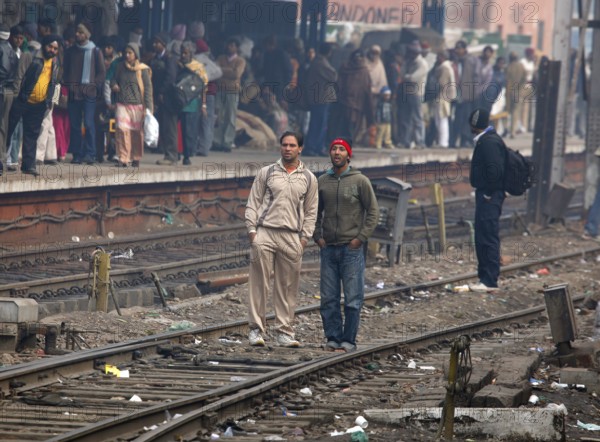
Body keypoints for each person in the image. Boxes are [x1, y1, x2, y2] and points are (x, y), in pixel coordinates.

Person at [245, 131, 318, 347]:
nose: (287, 148)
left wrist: (304, 238)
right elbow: (253, 202)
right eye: (284, 145)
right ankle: (256, 330)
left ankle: (284, 332)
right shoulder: (266, 173)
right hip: (265, 232)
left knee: (287, 286)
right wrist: (252, 232)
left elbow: (312, 211)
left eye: (292, 145)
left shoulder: (309, 178)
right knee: (259, 284)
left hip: (292, 237)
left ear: (300, 149)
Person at [313, 138, 379, 352]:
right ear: (330, 154)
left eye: (342, 149)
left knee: (352, 298)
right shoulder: (322, 181)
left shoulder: (360, 181)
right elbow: (314, 211)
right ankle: (332, 337)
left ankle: (348, 340)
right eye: (334, 149)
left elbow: (373, 212)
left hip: (351, 249)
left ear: (348, 155)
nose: (337, 152)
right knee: (329, 298)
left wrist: (360, 238)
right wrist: (317, 237)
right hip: (329, 248)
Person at [5, 34, 60, 176]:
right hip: (22, 100)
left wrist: (48, 102)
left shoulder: (54, 62)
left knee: (32, 134)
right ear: (44, 45)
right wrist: (17, 97)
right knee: (8, 130)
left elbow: (52, 82)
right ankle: (2, 159)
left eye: (55, 48)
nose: (52, 50)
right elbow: (19, 76)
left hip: (39, 104)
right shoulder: (30, 56)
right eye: (50, 47)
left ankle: (28, 165)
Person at [468, 108, 506, 292]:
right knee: (483, 234)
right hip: (488, 195)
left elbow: (495, 170)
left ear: (474, 126)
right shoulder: (488, 139)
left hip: (489, 196)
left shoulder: (488, 142)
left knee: (487, 236)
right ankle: (485, 278)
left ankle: (490, 280)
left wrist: (489, 193)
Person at [63, 23, 105, 165]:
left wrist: (93, 85)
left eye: (81, 32)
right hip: (74, 93)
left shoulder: (95, 51)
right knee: (75, 125)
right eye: (77, 32)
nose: (77, 34)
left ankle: (90, 153)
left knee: (88, 123)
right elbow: (65, 71)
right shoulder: (70, 51)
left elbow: (101, 72)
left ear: (87, 35)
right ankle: (77, 154)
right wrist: (69, 85)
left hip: (89, 94)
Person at [111, 42, 153, 168]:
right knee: (122, 131)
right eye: (126, 53)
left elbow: (148, 90)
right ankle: (123, 158)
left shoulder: (143, 70)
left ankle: (135, 157)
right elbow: (113, 79)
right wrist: (114, 85)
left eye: (130, 53)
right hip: (122, 104)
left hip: (138, 106)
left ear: (136, 55)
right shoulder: (119, 67)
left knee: (136, 133)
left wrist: (149, 109)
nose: (127, 55)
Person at [303, 42, 337, 156]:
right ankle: (312, 147)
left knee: (320, 123)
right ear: (329, 52)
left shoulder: (317, 61)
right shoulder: (321, 63)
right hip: (320, 98)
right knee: (318, 123)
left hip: (319, 97)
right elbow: (333, 76)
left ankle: (318, 147)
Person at [213, 38, 245, 153]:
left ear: (237, 48)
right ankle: (216, 141)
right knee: (218, 117)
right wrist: (229, 71)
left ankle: (227, 142)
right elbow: (215, 71)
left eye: (232, 45)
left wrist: (223, 71)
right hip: (220, 90)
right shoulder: (220, 58)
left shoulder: (241, 61)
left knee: (230, 117)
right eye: (228, 45)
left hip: (233, 92)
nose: (229, 47)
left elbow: (236, 74)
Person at [0, 23, 19, 175]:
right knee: (4, 126)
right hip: (9, 92)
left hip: (1, 90)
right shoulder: (12, 51)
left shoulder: (1, 49)